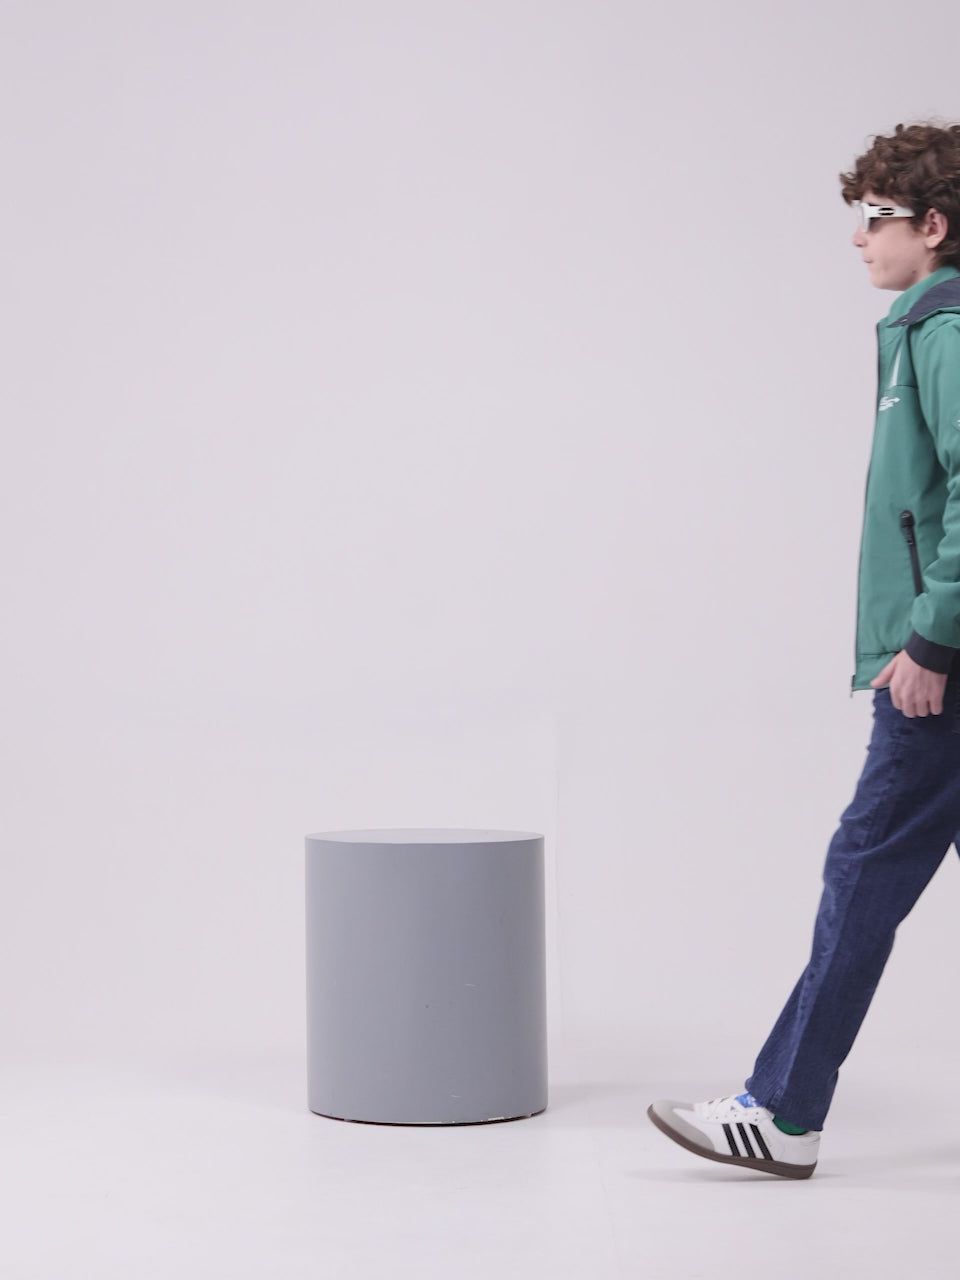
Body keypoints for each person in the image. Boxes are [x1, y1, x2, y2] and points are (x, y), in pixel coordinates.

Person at [648, 121, 960, 1179]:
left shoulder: (942, 326)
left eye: (875, 218)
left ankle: (782, 1113)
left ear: (933, 225)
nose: (858, 239)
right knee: (870, 869)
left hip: (939, 672)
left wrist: (929, 640)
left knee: (863, 870)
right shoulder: (923, 326)